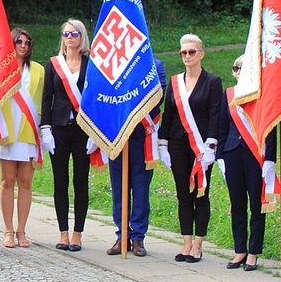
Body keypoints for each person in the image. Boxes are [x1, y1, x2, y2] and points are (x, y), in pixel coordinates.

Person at [159, 33, 222, 263]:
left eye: (191, 52)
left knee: (201, 194)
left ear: (201, 54)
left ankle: (198, 244)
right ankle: (186, 243)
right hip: (177, 143)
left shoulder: (213, 82)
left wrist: (211, 146)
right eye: (183, 52)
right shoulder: (175, 82)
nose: (187, 56)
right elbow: (168, 115)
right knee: (183, 194)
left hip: (201, 147)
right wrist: (162, 143)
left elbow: (215, 114)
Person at [217, 55, 276, 271]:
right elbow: (222, 128)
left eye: (242, 67)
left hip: (255, 156)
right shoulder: (229, 94)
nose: (238, 71)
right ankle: (240, 250)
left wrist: (270, 159)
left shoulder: (262, 94)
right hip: (232, 154)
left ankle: (253, 253)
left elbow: (270, 130)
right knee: (237, 204)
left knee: (257, 206)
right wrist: (220, 157)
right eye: (235, 68)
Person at [106, 58, 167, 257]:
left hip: (142, 136)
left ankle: (138, 237)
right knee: (119, 188)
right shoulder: (114, 64)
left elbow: (160, 95)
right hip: (119, 134)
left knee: (140, 188)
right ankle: (122, 234)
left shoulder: (155, 65)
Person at [40, 18, 91, 252]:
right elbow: (46, 97)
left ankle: (78, 233)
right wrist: (45, 128)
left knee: (80, 181)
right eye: (66, 34)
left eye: (74, 34)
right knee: (60, 181)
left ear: (82, 37)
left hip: (82, 130)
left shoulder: (91, 64)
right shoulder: (53, 64)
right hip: (59, 128)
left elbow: (96, 99)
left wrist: (96, 132)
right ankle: (63, 232)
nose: (70, 38)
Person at [0, 27, 45, 248]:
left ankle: (22, 230)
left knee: (25, 182)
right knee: (7, 181)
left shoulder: (39, 71)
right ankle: (8, 230)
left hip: (28, 131)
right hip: (6, 130)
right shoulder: (0, 69)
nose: (23, 46)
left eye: (27, 42)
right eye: (19, 41)